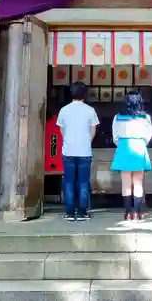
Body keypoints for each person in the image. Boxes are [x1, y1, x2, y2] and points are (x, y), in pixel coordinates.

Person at [57, 81, 99, 221]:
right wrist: (86, 141)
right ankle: (82, 212)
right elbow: (93, 130)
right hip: (85, 151)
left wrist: (70, 140)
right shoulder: (90, 110)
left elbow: (62, 130)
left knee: (68, 182)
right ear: (84, 94)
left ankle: (69, 213)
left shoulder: (64, 110)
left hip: (68, 151)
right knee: (83, 182)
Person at [110, 90, 152, 221]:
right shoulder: (146, 118)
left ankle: (128, 213)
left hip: (123, 148)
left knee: (126, 184)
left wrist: (122, 144)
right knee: (138, 183)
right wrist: (141, 143)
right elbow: (148, 136)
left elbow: (115, 137)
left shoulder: (117, 117)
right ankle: (137, 213)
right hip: (139, 147)